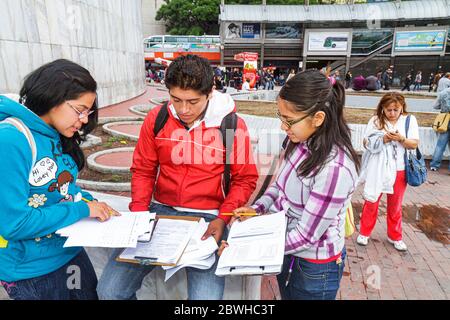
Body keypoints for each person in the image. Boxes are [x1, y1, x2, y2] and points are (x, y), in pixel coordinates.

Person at [97, 54, 259, 300]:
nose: (184, 109)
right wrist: (140, 214)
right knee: (109, 292)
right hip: (159, 212)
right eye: (176, 99)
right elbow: (143, 169)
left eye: (193, 101)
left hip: (209, 219)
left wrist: (224, 219)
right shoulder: (158, 118)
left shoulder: (231, 125)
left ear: (210, 92)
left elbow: (245, 179)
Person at [227, 69, 360, 300]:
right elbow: (279, 186)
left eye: (288, 120)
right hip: (287, 251)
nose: (282, 127)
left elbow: (307, 237)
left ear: (318, 118)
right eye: (281, 117)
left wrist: (252, 248)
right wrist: (257, 208)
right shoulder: (299, 140)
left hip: (314, 269)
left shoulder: (335, 169)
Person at [0, 59, 119, 300]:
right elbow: (15, 223)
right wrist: (81, 209)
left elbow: (63, 188)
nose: (85, 120)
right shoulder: (11, 140)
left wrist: (90, 201)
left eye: (89, 112)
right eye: (80, 110)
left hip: (69, 253)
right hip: (31, 271)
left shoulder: (54, 132)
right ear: (52, 97)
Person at [357, 93, 420, 251]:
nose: (392, 113)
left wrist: (401, 139)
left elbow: (414, 144)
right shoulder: (375, 120)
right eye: (388, 109)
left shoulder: (409, 120)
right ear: (382, 108)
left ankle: (395, 236)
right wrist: (382, 140)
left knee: (395, 205)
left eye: (396, 110)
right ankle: (364, 232)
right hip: (377, 168)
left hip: (399, 169)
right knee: (371, 201)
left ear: (402, 108)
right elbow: (366, 142)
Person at [430, 87, 450, 173]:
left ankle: (434, 165)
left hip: (444, 121)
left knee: (440, 145)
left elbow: (435, 106)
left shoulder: (443, 92)